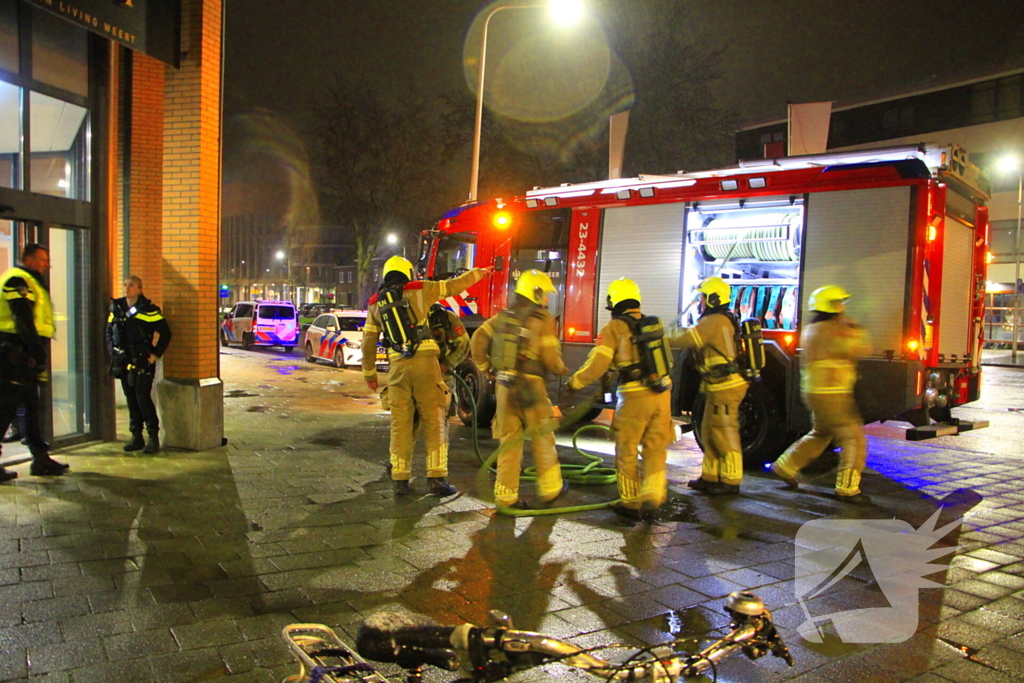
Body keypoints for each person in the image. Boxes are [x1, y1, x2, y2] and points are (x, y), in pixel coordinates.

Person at [362, 256, 491, 497]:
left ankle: (400, 479)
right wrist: (479, 272)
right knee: (434, 420)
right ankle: (436, 478)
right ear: (408, 272)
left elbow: (368, 342)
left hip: (397, 367)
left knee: (400, 424)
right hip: (426, 363)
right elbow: (454, 285)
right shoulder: (421, 289)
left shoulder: (375, 304)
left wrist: (369, 374)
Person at [567, 278, 674, 520]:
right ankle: (653, 497)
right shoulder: (653, 325)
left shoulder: (614, 328)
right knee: (655, 447)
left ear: (614, 301)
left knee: (626, 447)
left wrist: (574, 383)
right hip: (662, 393)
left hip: (634, 395)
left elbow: (597, 365)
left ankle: (630, 503)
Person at [471, 270, 568, 510]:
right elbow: (550, 356)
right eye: (543, 293)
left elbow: (477, 340)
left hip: (505, 387)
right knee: (543, 436)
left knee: (509, 442)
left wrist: (485, 368)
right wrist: (561, 370)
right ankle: (551, 489)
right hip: (531, 386)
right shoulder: (542, 318)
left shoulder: (503, 317)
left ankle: (506, 497)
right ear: (535, 292)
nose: (546, 299)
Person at [770, 285, 872, 503]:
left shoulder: (812, 329)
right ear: (830, 306)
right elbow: (858, 349)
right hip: (833, 392)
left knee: (821, 433)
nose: (842, 307)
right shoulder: (831, 330)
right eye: (839, 303)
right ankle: (848, 487)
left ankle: (785, 466)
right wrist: (855, 329)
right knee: (853, 437)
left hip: (816, 391)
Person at [668, 277, 748, 495]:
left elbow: (688, 338)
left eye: (702, 297)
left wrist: (659, 335)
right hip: (717, 386)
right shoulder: (718, 320)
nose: (700, 302)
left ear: (712, 298)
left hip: (725, 387)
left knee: (723, 432)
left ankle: (731, 480)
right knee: (709, 431)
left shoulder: (715, 321)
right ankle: (710, 476)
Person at [0, 244, 69, 481]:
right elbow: (22, 319)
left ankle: (40, 459)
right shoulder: (17, 280)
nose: (46, 264)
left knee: (31, 407)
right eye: (42, 259)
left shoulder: (30, 280)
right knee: (6, 408)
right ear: (29, 259)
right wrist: (37, 352)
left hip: (22, 353)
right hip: (13, 353)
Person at [106, 275, 172, 454]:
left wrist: (155, 355)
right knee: (131, 399)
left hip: (142, 360)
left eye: (131, 285)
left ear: (139, 289)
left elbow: (165, 333)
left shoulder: (148, 310)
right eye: (125, 285)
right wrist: (113, 352)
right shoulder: (116, 308)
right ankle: (136, 436)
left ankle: (153, 437)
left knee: (143, 398)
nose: (127, 288)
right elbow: (109, 333)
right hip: (123, 361)